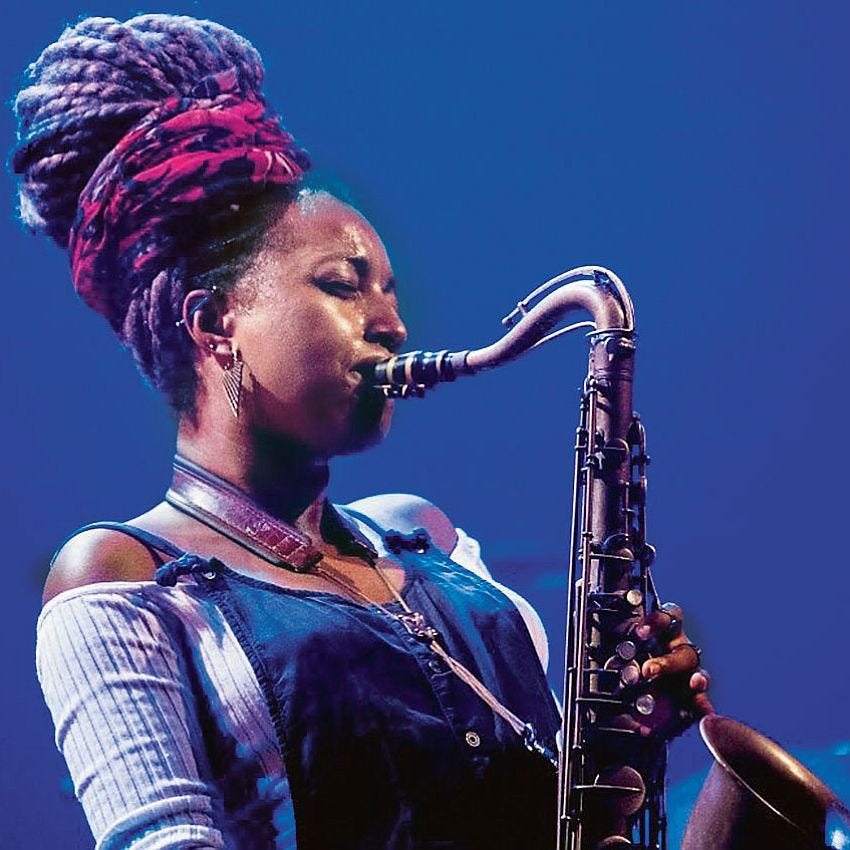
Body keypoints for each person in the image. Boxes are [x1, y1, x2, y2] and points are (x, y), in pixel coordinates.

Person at [13, 14, 711, 849]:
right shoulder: (124, 576)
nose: (393, 324)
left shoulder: (426, 535)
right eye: (344, 287)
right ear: (215, 323)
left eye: (388, 290)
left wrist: (627, 747)